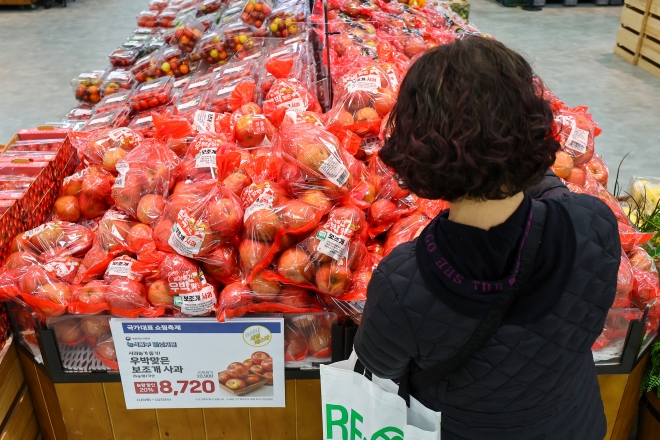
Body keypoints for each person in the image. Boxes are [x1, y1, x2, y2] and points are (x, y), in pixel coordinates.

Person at [353, 36, 620, 440]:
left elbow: (382, 364)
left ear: (417, 149)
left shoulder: (403, 282)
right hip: (573, 423)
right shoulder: (593, 223)